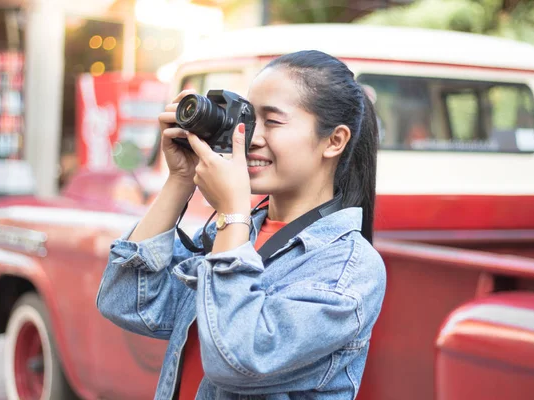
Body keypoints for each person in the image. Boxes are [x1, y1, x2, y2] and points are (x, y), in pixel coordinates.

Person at [96, 50, 387, 400]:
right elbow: (126, 301)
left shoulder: (348, 268)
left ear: (334, 141)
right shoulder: (239, 232)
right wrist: (180, 179)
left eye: (273, 122)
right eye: (249, 119)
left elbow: (236, 359)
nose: (250, 137)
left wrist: (232, 211)